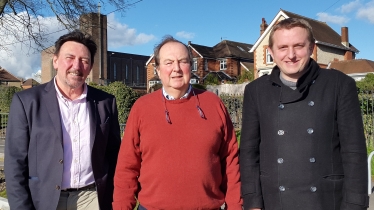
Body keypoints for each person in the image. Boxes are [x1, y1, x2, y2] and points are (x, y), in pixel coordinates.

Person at [240, 18, 369, 210]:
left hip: (326, 201)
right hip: (274, 201)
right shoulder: (255, 91)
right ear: (271, 52)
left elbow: (354, 152)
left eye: (299, 46)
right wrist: (252, 202)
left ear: (311, 48)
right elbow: (249, 153)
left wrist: (354, 204)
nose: (291, 55)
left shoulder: (339, 85)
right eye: (283, 47)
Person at [113, 36, 242, 209]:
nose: (176, 69)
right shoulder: (142, 108)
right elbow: (127, 167)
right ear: (158, 70)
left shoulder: (213, 104)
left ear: (190, 65)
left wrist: (235, 206)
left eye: (183, 61)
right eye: (168, 62)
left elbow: (231, 163)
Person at [5, 30, 121, 210]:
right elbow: (15, 163)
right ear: (56, 61)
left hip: (91, 199)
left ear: (90, 67)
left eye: (84, 60)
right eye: (70, 57)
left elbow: (114, 156)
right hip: (46, 199)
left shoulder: (105, 102)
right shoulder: (27, 102)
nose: (77, 66)